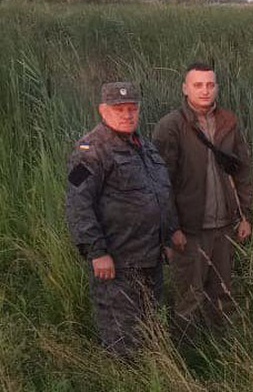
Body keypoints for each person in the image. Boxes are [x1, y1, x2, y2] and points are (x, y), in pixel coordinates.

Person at [65, 82, 175, 358]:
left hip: (150, 257)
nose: (127, 115)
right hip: (118, 261)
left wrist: (168, 237)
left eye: (132, 108)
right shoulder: (89, 151)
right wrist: (96, 251)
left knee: (149, 327)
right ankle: (121, 379)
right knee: (121, 332)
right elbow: (78, 203)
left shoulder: (144, 147)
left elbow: (160, 195)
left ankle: (149, 376)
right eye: (119, 109)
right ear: (103, 110)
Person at [152, 62, 253, 335]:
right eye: (198, 85)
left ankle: (222, 348)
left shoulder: (228, 121)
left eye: (210, 84)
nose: (205, 90)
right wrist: (171, 229)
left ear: (217, 87)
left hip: (224, 226)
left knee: (222, 291)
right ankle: (186, 356)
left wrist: (245, 215)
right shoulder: (170, 126)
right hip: (189, 228)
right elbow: (161, 184)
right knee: (190, 295)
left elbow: (242, 170)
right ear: (185, 89)